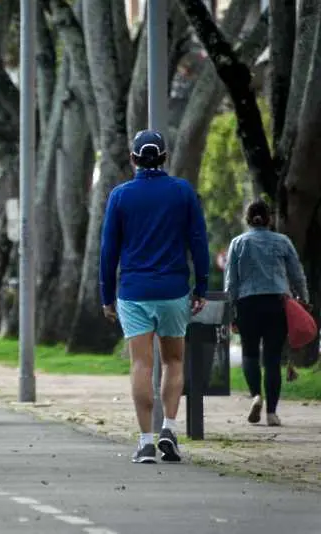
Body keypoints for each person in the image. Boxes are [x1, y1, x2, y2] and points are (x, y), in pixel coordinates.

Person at [100, 129, 209, 464]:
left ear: (133, 159)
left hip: (133, 292)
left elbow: (108, 251)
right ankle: (170, 430)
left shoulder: (120, 196)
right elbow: (199, 242)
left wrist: (107, 295)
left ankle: (146, 441)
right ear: (164, 158)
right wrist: (201, 286)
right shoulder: (182, 192)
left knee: (141, 364)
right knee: (174, 361)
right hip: (174, 290)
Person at [224, 200, 309, 427]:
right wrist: (304, 300)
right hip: (276, 304)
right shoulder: (282, 241)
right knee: (271, 359)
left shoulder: (238, 243)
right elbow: (297, 274)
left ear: (248, 220)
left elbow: (231, 282)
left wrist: (231, 312)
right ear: (269, 219)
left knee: (250, 354)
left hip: (247, 304)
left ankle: (256, 396)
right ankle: (272, 413)